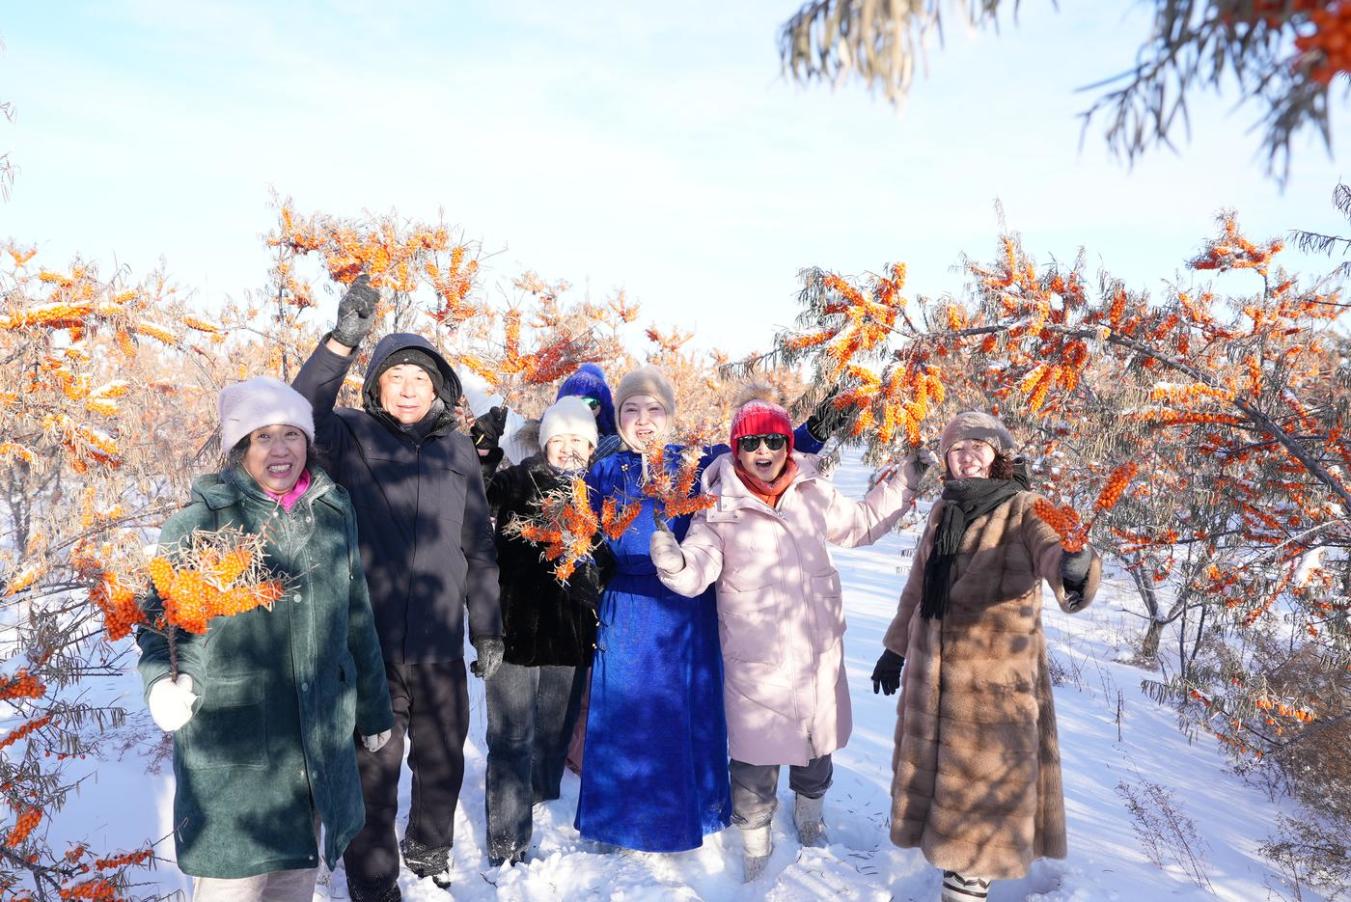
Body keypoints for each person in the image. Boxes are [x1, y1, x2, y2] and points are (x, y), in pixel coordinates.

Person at [648, 392, 930, 880]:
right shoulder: (718, 507)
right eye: (751, 442)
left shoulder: (812, 491)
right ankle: (756, 843)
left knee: (817, 747)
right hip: (757, 659)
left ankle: (810, 817)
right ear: (736, 448)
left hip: (816, 650)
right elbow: (699, 569)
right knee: (755, 761)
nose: (764, 450)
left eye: (774, 440)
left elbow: (862, 524)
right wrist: (675, 564)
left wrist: (904, 481)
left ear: (787, 444)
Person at [137, 377, 394, 902]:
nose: (280, 450)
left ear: (308, 441)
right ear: (240, 447)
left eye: (291, 434)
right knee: (231, 886)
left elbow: (357, 615)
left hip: (314, 750)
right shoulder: (201, 523)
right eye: (263, 437)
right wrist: (163, 681)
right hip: (235, 757)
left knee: (294, 886)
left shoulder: (332, 511)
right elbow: (161, 624)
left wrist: (374, 709)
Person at [292, 276, 503, 900]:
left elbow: (478, 548)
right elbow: (301, 410)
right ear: (377, 386)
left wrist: (488, 628)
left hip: (439, 643)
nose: (409, 389)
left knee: (442, 759)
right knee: (373, 771)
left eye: (421, 379)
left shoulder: (458, 452)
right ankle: (372, 876)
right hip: (371, 648)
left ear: (438, 390)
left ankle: (430, 848)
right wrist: (340, 343)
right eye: (396, 377)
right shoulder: (350, 437)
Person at [574, 367, 828, 853]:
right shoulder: (603, 470)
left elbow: (761, 450)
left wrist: (816, 429)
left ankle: (690, 811)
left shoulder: (698, 463)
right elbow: (575, 527)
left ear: (670, 415)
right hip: (627, 608)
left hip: (686, 609)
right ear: (618, 417)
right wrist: (586, 568)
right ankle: (618, 820)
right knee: (625, 711)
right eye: (631, 409)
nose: (643, 420)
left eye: (654, 409)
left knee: (682, 713)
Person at [871, 412, 1100, 902]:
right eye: (957, 449)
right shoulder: (944, 510)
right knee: (945, 800)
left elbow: (1052, 551)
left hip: (990, 695)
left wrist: (1074, 563)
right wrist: (894, 649)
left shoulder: (1024, 507)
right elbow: (918, 587)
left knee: (977, 815)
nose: (967, 455)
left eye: (978, 446)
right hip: (933, 680)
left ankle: (966, 888)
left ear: (998, 455)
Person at [483, 395, 608, 867]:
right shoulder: (517, 481)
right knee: (511, 737)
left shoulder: (595, 495)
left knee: (552, 733)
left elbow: (609, 560)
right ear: (545, 441)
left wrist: (593, 570)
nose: (570, 448)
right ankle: (507, 840)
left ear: (591, 447)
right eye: (561, 439)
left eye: (580, 440)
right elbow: (475, 498)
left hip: (569, 639)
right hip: (514, 631)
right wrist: (483, 453)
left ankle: (535, 794)